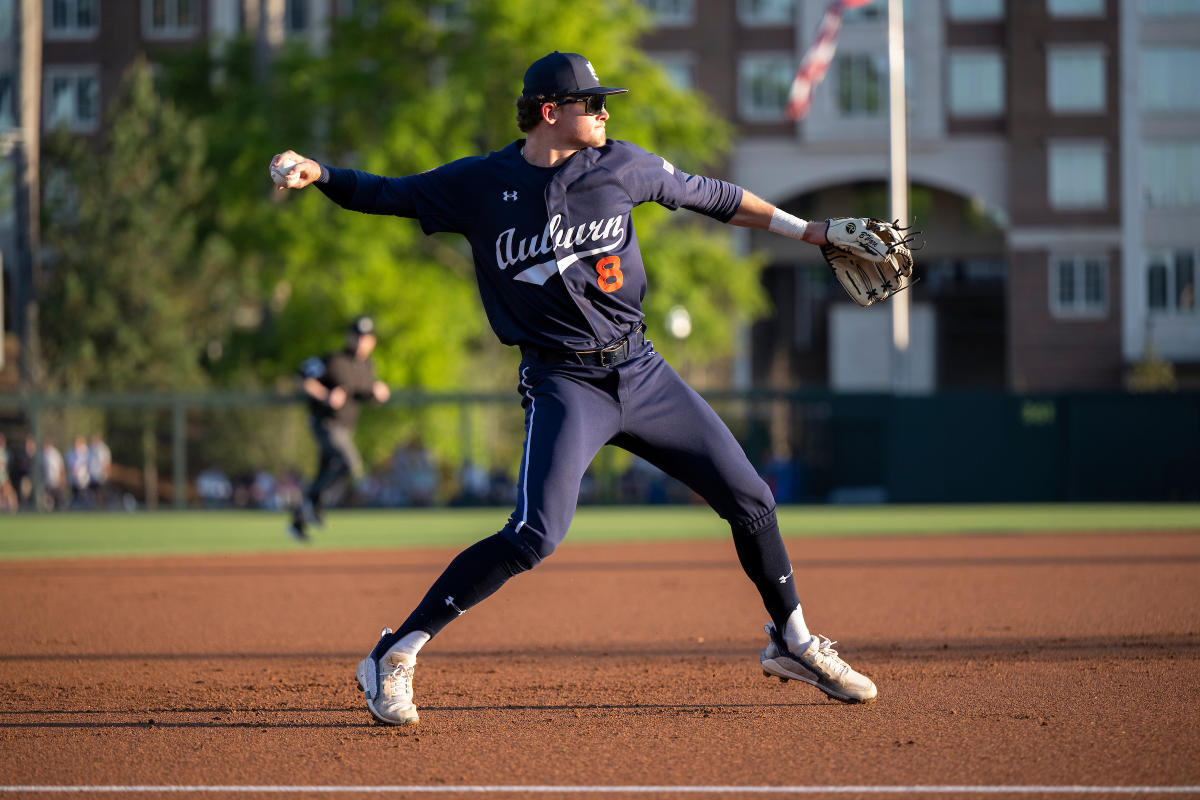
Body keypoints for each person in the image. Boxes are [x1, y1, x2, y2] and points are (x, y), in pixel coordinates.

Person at [271, 50, 880, 724]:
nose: (604, 111)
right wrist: (320, 172)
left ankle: (793, 642)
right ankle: (394, 652)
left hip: (642, 370)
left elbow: (717, 197)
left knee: (751, 499)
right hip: (564, 379)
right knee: (535, 534)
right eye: (591, 103)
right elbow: (386, 191)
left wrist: (814, 231)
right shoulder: (481, 184)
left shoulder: (622, 165)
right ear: (550, 112)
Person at [287, 316, 391, 540]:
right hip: (325, 424)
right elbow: (301, 377)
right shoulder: (333, 359)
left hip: (346, 428)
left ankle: (298, 522)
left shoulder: (367, 366)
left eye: (366, 337)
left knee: (326, 475)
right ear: (350, 337)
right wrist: (325, 395)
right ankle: (313, 503)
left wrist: (376, 393)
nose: (361, 341)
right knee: (349, 463)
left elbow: (362, 394)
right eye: (357, 335)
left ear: (372, 341)